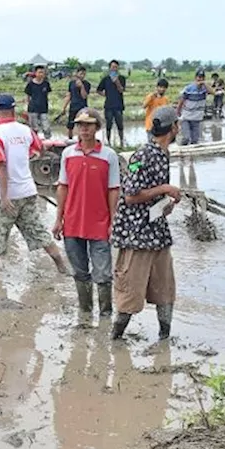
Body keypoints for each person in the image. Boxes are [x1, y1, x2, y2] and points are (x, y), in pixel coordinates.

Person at [111, 105, 181, 340]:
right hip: (137, 234)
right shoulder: (141, 155)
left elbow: (149, 193)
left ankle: (165, 339)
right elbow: (130, 195)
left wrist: (165, 203)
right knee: (129, 291)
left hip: (157, 231)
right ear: (174, 128)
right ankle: (115, 338)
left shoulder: (163, 154)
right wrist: (165, 188)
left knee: (165, 289)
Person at [0, 93, 68, 273]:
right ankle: (62, 266)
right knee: (39, 231)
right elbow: (37, 150)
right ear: (14, 110)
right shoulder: (25, 130)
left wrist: (5, 197)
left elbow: (1, 166)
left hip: (7, 196)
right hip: (28, 191)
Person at [52, 108, 121, 319]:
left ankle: (106, 316)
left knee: (103, 274)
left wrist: (113, 221)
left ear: (97, 128)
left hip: (99, 223)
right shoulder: (68, 154)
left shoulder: (108, 156)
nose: (84, 129)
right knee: (80, 272)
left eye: (88, 125)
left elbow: (113, 190)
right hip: (72, 223)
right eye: (80, 125)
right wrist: (58, 219)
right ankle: (85, 313)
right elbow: (62, 187)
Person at [97, 60, 127, 147]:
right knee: (108, 124)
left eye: (116, 67)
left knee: (120, 124)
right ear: (110, 68)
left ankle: (121, 142)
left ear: (118, 68)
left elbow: (121, 90)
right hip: (108, 106)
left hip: (118, 105)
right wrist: (105, 95)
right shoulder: (105, 79)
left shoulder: (121, 78)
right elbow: (98, 90)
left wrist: (116, 81)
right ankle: (109, 143)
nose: (114, 68)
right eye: (112, 67)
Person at [176, 69, 209, 145]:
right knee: (186, 138)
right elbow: (181, 100)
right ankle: (182, 151)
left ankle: (192, 156)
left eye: (202, 77)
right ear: (195, 78)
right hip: (186, 117)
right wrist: (178, 112)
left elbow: (213, 92)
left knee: (195, 140)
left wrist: (205, 84)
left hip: (197, 118)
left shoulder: (205, 89)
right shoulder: (189, 88)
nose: (200, 79)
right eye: (199, 77)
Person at [60, 66, 90, 139]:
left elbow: (84, 96)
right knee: (70, 126)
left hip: (82, 107)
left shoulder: (87, 84)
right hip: (73, 107)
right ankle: (70, 140)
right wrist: (64, 107)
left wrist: (81, 86)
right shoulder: (71, 83)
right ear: (77, 74)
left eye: (84, 74)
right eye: (81, 73)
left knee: (82, 126)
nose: (82, 75)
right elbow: (69, 96)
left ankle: (81, 141)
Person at [23, 64, 52, 138]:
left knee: (46, 127)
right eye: (40, 72)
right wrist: (26, 107)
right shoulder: (30, 84)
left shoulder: (46, 84)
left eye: (43, 72)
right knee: (34, 128)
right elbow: (27, 96)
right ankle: (35, 142)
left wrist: (49, 104)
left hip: (44, 108)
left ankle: (48, 141)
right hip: (33, 108)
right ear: (35, 73)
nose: (41, 74)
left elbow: (47, 95)